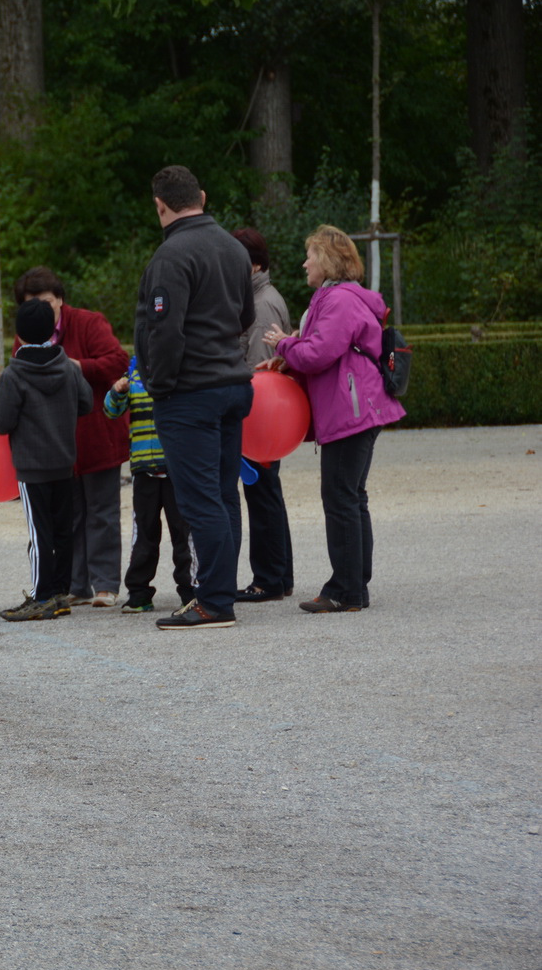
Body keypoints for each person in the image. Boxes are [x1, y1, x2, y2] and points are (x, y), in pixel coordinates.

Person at [133, 165, 255, 630]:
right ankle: (221, 592)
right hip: (231, 384)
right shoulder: (234, 248)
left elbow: (165, 332)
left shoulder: (171, 255)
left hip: (190, 392)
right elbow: (244, 315)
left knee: (200, 499)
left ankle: (215, 602)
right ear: (201, 196)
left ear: (160, 205)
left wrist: (159, 385)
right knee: (224, 496)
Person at [265, 225, 405, 613]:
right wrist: (285, 360)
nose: (304, 262)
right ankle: (355, 586)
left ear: (326, 261)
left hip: (351, 410)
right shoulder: (336, 297)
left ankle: (345, 589)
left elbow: (318, 353)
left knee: (340, 497)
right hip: (357, 408)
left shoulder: (338, 299)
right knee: (352, 497)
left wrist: (284, 344)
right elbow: (317, 353)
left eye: (310, 255)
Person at [13, 266, 130, 607]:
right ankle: (77, 585)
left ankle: (106, 585)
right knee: (70, 516)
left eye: (47, 302)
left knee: (102, 511)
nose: (41, 310)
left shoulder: (89, 323)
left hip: (98, 433)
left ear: (61, 300)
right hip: (57, 445)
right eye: (31, 304)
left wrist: (77, 366)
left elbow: (117, 360)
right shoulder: (26, 334)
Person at [0, 300, 93, 621]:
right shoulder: (67, 367)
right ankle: (60, 594)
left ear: (18, 335)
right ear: (53, 329)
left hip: (31, 467)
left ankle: (40, 596)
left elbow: (1, 423)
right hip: (64, 462)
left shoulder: (14, 374)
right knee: (63, 531)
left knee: (40, 534)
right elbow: (87, 402)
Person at [232, 226, 295, 603]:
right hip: (267, 418)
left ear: (253, 264)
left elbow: (260, 371)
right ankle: (279, 576)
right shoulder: (261, 297)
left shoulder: (260, 305)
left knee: (262, 494)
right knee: (267, 493)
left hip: (260, 417)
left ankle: (268, 579)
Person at [105, 355, 194, 613]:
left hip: (176, 468)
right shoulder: (132, 374)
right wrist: (117, 391)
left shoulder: (180, 371)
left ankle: (190, 590)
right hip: (144, 468)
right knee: (143, 533)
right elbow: (110, 411)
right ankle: (139, 592)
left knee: (183, 532)